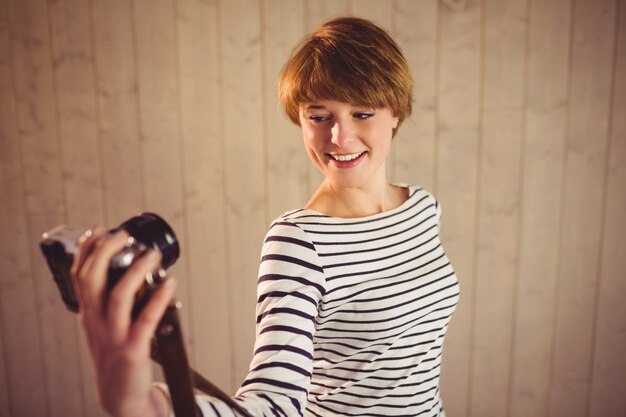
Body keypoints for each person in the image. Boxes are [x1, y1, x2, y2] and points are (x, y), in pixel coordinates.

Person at [72, 16, 459, 417]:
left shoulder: (423, 207)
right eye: (319, 115)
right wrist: (141, 406)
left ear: (396, 113)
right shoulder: (298, 241)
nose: (338, 137)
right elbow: (274, 402)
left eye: (362, 113)